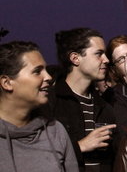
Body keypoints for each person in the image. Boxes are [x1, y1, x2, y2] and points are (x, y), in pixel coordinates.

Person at [41, 28, 116, 172]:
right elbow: (35, 156)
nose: (106, 60)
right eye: (99, 54)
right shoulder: (49, 102)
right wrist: (80, 146)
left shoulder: (105, 107)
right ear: (75, 58)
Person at [0, 41, 78, 172]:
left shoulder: (56, 131)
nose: (48, 77)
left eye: (46, 70)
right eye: (37, 72)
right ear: (7, 83)